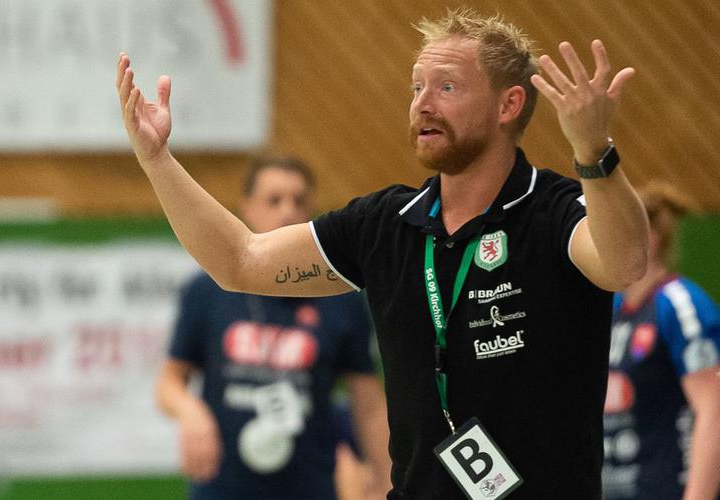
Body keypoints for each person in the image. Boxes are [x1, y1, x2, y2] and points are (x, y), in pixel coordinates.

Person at [116, 7, 649, 498]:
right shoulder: (386, 224)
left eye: (447, 86)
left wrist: (593, 151)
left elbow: (624, 263)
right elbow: (240, 262)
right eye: (417, 86)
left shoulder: (555, 210)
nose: (422, 103)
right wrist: (157, 160)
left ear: (508, 104)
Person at [155, 156, 391, 500]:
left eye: (299, 201)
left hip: (310, 485)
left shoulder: (339, 296)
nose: (288, 211)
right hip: (222, 485)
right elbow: (169, 382)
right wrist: (190, 412)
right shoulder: (206, 292)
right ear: (247, 208)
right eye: (274, 200)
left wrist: (385, 478)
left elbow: (367, 404)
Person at [602, 182, 720, 500]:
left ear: (648, 239)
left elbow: (714, 410)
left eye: (611, 229)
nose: (601, 240)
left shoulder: (679, 305)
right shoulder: (612, 309)